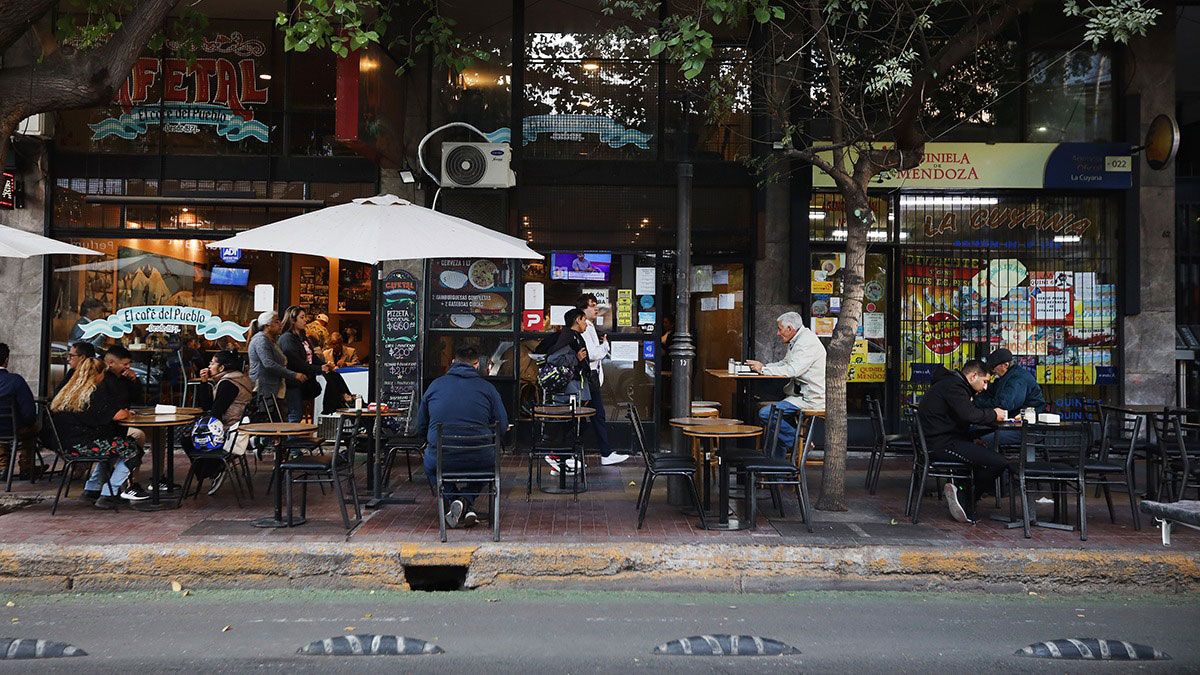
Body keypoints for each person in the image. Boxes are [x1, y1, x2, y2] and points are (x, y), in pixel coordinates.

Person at [417, 347, 508, 529]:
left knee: (429, 465)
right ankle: (466, 501)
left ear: (452, 362)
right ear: (476, 365)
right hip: (479, 457)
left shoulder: (435, 386)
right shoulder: (487, 388)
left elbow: (420, 426)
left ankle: (454, 500)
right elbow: (502, 425)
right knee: (490, 465)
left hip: (442, 457)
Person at [917, 360, 1009, 523]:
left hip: (940, 441)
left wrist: (972, 439)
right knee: (999, 462)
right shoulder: (954, 387)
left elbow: (956, 420)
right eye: (985, 381)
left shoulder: (951, 384)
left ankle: (963, 494)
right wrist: (994, 414)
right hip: (940, 445)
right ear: (973, 376)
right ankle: (967, 495)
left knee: (984, 456)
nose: (985, 387)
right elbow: (969, 415)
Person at [50, 357, 146, 508]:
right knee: (132, 449)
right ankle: (109, 493)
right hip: (84, 445)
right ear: (99, 374)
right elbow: (118, 415)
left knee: (114, 444)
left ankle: (93, 488)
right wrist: (127, 413)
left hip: (65, 445)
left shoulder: (67, 391)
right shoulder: (93, 392)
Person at [746, 311, 827, 454]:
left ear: (790, 329)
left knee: (767, 414)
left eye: (780, 329)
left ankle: (800, 442)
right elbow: (785, 363)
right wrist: (763, 367)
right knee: (774, 421)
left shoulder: (805, 343)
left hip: (811, 398)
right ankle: (776, 469)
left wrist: (763, 370)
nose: (778, 333)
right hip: (799, 395)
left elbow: (792, 370)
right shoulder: (798, 339)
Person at [574, 294, 628, 466]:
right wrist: (605, 346)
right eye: (592, 305)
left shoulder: (588, 326)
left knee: (592, 416)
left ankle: (581, 454)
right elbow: (592, 354)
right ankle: (569, 455)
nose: (596, 308)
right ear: (583, 309)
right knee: (589, 416)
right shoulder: (586, 327)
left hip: (591, 379)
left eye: (596, 305)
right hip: (589, 379)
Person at [539, 309, 592, 475]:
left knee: (577, 423)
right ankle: (558, 456)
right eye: (584, 321)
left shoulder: (574, 336)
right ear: (577, 320)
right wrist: (576, 358)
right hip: (568, 390)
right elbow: (553, 358)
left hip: (576, 388)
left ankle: (563, 461)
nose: (586, 325)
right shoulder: (568, 336)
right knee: (569, 423)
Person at [277, 306, 332, 423]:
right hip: (292, 382)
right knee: (295, 413)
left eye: (305, 317)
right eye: (301, 317)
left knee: (298, 412)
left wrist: (324, 365)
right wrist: (318, 368)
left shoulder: (303, 337)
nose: (305, 320)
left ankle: (295, 438)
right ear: (292, 320)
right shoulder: (287, 338)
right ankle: (292, 440)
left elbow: (312, 357)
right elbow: (295, 362)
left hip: (304, 380)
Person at [248, 310, 303, 409]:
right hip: (264, 387)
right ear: (267, 325)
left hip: (273, 386)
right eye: (276, 321)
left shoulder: (272, 341)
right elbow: (268, 363)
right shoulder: (261, 340)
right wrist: (293, 375)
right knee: (266, 418)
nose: (280, 324)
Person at [0, 343, 40, 479]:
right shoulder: (16, 381)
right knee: (32, 429)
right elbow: (28, 412)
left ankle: (2, 465)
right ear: (6, 360)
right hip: (13, 429)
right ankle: (26, 466)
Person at [195, 350, 254, 430]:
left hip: (230, 427)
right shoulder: (239, 378)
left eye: (212, 363)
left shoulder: (227, 383)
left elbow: (215, 412)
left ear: (221, 368)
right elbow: (208, 407)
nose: (209, 366)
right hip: (239, 423)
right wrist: (204, 382)